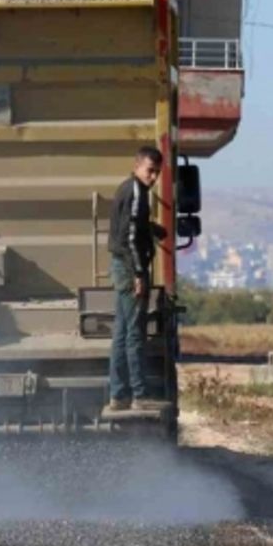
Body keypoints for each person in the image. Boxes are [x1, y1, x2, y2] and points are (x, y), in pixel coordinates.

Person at [105, 146, 169, 412]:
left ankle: (119, 395)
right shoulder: (135, 192)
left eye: (157, 173)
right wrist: (140, 274)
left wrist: (154, 229)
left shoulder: (133, 190)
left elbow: (131, 226)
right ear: (137, 167)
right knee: (134, 334)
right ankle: (138, 395)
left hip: (122, 267)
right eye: (149, 171)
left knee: (121, 334)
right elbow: (128, 239)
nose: (153, 177)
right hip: (129, 270)